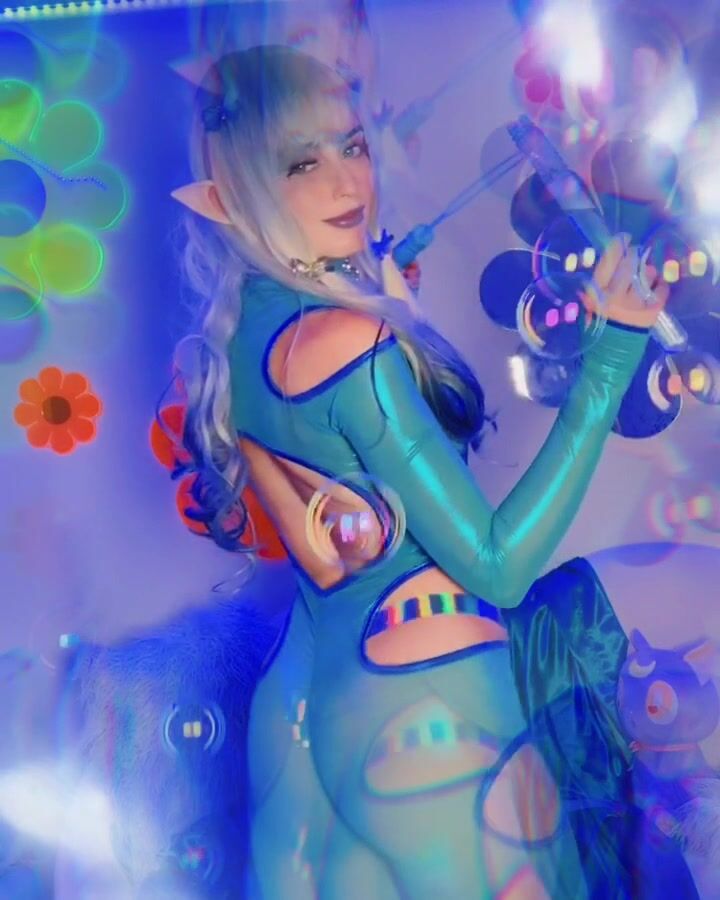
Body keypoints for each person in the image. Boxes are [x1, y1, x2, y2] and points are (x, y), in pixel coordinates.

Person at [170, 44, 668, 899]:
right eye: (301, 162)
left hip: (326, 715)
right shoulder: (349, 346)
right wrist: (613, 353)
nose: (347, 182)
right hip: (435, 723)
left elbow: (340, 527)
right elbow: (499, 566)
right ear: (234, 192)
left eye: (352, 145)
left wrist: (375, 296)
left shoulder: (246, 330)